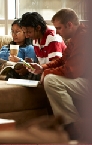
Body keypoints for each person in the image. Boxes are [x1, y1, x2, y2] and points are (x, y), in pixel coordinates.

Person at [26, 8, 89, 140]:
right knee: (49, 78)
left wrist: (47, 73)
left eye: (59, 28)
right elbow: (62, 60)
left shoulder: (84, 38)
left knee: (51, 81)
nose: (57, 32)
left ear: (69, 25)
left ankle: (73, 126)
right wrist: (43, 68)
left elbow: (71, 70)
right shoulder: (75, 37)